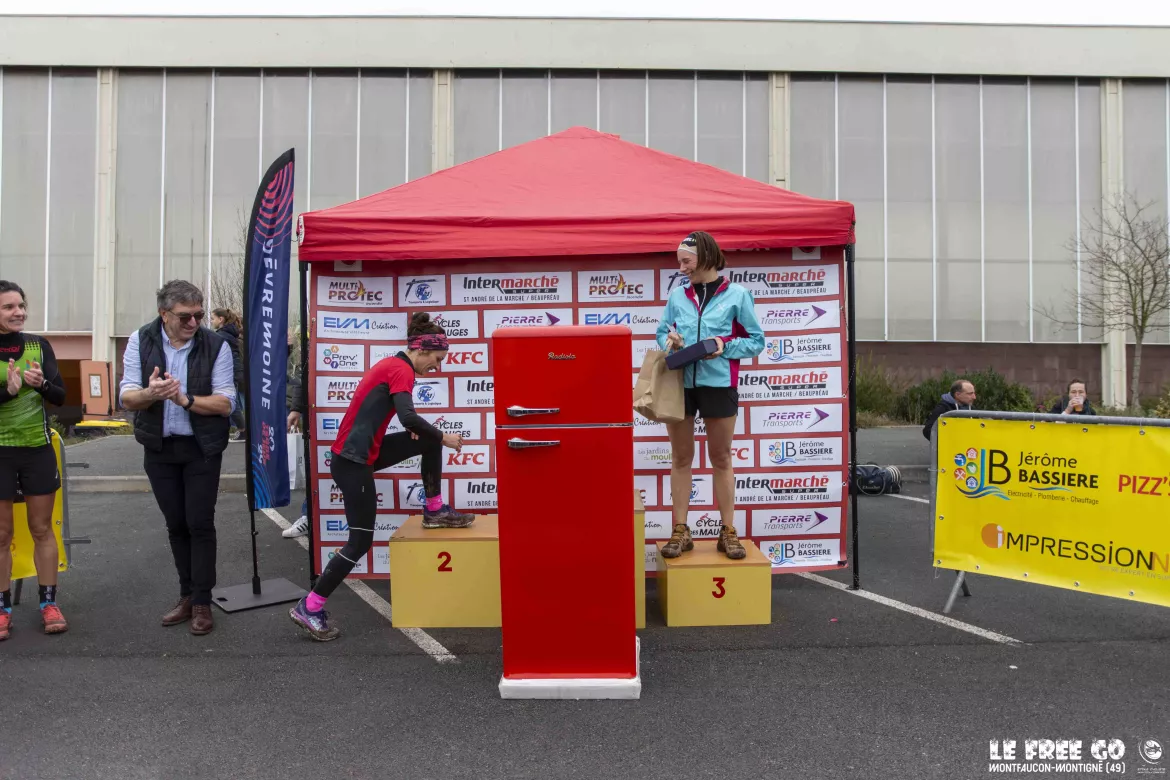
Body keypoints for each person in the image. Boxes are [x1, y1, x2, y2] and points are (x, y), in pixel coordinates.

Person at [290, 313, 474, 641]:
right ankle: (311, 606)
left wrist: (427, 434)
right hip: (352, 463)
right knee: (360, 541)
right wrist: (444, 436)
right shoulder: (401, 369)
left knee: (427, 439)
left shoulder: (395, 365)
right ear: (422, 349)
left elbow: (405, 418)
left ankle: (434, 510)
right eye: (437, 359)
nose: (438, 367)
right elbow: (408, 416)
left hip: (361, 456)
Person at [120, 280, 236, 636]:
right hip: (159, 448)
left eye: (199, 315)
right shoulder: (140, 339)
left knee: (199, 522)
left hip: (201, 448)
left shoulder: (216, 344)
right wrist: (151, 394)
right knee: (176, 524)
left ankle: (202, 601)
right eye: (185, 316)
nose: (194, 322)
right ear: (164, 314)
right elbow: (126, 397)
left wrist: (185, 400)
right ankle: (187, 594)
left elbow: (226, 402)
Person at [655, 232, 764, 561]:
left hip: (719, 384)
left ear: (704, 256)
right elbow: (662, 332)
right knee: (681, 458)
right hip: (681, 384)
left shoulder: (738, 295)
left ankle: (727, 531)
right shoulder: (678, 296)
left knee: (721, 458)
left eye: (685, 261)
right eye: (679, 262)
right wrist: (670, 341)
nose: (681, 268)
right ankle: (680, 530)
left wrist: (723, 346)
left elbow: (756, 341)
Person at [0, 281, 68, 640]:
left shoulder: (37, 345)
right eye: (9, 307)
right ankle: (2, 609)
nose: (19, 312)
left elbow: (60, 397)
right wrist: (7, 392)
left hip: (37, 449)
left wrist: (41, 384)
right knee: (1, 534)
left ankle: (49, 604)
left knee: (42, 529)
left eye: (21, 306)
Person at [283, 339, 311, 539]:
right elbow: (304, 374)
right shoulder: (318, 333)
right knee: (316, 469)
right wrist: (295, 408)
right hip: (323, 413)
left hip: (361, 413)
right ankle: (308, 516)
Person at [210, 308, 246, 441]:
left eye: (213, 318)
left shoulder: (221, 336)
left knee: (231, 402)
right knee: (233, 401)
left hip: (230, 373)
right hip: (233, 372)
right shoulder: (228, 334)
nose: (211, 321)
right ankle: (242, 429)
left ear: (221, 319)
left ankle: (243, 429)